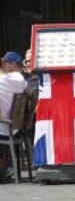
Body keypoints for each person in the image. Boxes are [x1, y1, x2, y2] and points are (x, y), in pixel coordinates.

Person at [0, 52, 28, 181]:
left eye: (5, 62)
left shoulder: (9, 79)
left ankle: (5, 167)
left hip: (4, 126)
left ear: (13, 64)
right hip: (13, 126)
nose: (3, 64)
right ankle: (6, 166)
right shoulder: (20, 80)